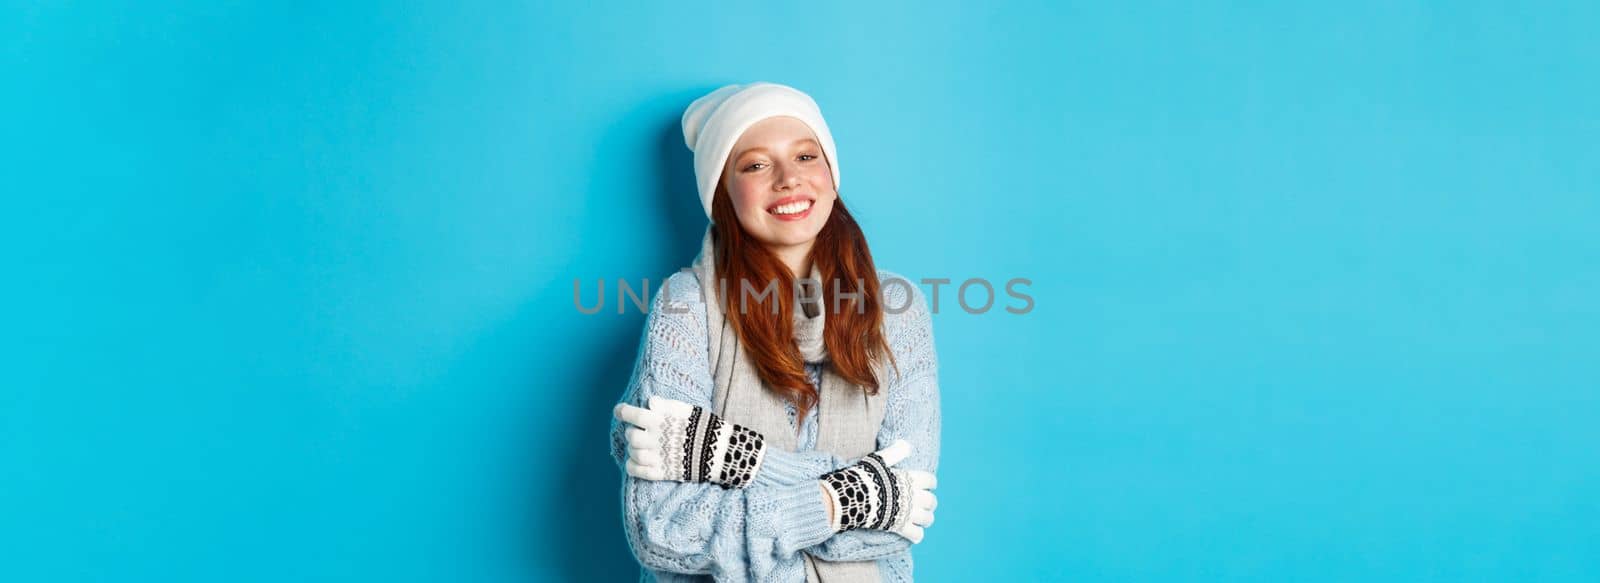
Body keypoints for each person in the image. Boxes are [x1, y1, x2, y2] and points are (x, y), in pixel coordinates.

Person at [610, 82, 942, 582]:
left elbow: (906, 509)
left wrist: (734, 457)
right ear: (722, 190)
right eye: (756, 164)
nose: (788, 179)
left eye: (806, 156)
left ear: (831, 174)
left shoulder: (899, 309)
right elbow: (663, 531)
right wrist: (839, 500)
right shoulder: (686, 305)